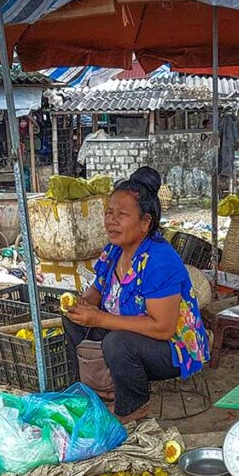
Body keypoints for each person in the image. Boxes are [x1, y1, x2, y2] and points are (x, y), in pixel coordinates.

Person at [63, 167, 211, 423]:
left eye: (122, 215)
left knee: (117, 343)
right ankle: (98, 392)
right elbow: (98, 289)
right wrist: (84, 305)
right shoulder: (114, 250)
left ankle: (133, 408)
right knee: (73, 321)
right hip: (127, 333)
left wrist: (99, 319)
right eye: (109, 212)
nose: (112, 220)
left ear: (145, 222)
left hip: (171, 348)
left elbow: (163, 328)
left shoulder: (159, 259)